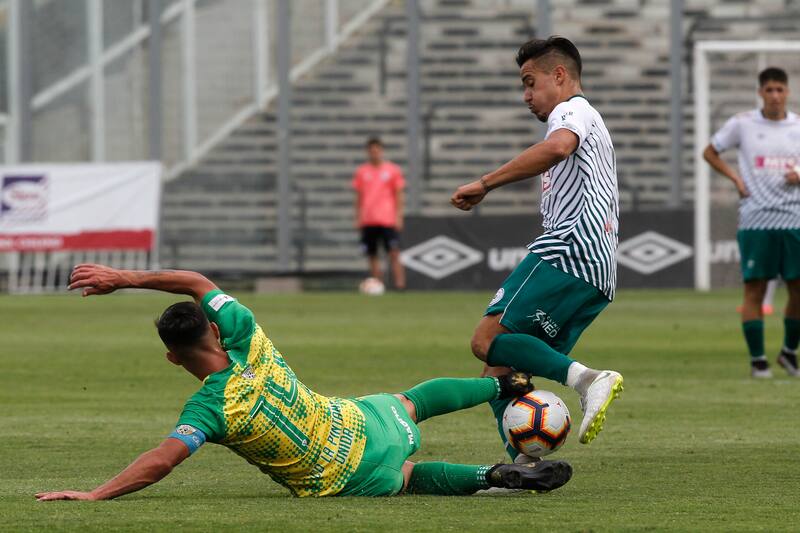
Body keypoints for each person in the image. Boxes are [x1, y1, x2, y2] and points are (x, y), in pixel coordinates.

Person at [35, 264, 572, 502]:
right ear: (216, 329)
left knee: (410, 478)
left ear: (174, 361)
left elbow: (162, 460)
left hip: (348, 478)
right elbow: (197, 282)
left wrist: (95, 493)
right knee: (410, 402)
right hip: (363, 423)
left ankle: (493, 473)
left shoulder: (207, 411)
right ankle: (504, 389)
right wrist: (125, 279)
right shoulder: (245, 334)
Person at [450, 36, 624, 458]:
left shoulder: (572, 111)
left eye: (530, 82)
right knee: (500, 375)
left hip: (569, 249)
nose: (526, 96)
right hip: (598, 272)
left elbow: (559, 146)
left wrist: (486, 182)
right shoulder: (591, 119)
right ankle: (524, 470)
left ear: (559, 75)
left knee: (485, 339)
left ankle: (587, 379)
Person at [703, 67, 800, 378]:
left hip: (794, 220)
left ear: (787, 92)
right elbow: (710, 151)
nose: (774, 96)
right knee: (755, 290)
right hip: (756, 220)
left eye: (779, 90)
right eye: (769, 90)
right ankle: (758, 360)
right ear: (760, 92)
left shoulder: (798, 126)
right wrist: (735, 178)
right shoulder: (743, 124)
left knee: (798, 290)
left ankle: (788, 352)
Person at [352, 137, 406, 290]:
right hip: (369, 219)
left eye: (377, 150)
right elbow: (358, 197)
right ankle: (377, 284)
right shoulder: (362, 171)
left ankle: (400, 285)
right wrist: (358, 217)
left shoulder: (392, 170)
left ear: (381, 151)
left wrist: (398, 217)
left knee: (394, 252)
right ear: (368, 152)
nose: (374, 153)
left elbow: (399, 194)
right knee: (372, 254)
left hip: (387, 219)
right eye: (371, 150)